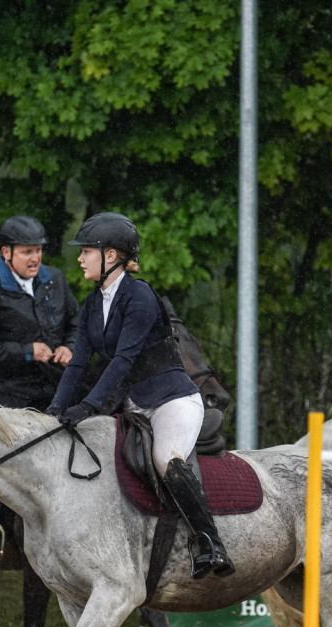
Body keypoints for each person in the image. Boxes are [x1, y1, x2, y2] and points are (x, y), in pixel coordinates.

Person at [46, 212, 235, 579]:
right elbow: (77, 365)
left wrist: (87, 407)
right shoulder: (91, 305)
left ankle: (208, 541)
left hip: (171, 400)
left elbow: (122, 361)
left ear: (111, 256)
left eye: (87, 251)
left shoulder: (141, 296)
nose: (80, 258)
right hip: (132, 406)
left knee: (167, 458)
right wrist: (53, 412)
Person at [0, 215, 79, 558]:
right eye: (27, 251)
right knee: (0, 455)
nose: (35, 258)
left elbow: (75, 322)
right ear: (6, 253)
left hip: (53, 388)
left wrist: (69, 346)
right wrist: (26, 352)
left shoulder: (55, 281)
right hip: (6, 393)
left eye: (39, 251)